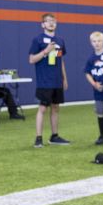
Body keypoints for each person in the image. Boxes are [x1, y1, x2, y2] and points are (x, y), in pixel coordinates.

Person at [28, 13, 70, 147]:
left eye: (53, 21)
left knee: (55, 108)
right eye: (48, 21)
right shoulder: (38, 40)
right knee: (42, 108)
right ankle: (38, 138)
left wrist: (64, 78)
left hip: (57, 80)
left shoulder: (60, 41)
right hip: (44, 81)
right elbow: (31, 59)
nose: (51, 23)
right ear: (43, 25)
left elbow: (60, 60)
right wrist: (45, 51)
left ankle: (54, 136)